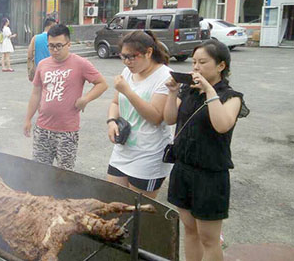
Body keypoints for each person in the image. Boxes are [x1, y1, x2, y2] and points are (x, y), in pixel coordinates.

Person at [163, 39, 248, 261]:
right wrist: (172, 93)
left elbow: (222, 125)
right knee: (190, 231)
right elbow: (170, 118)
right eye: (194, 62)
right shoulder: (188, 90)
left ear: (221, 66)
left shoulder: (231, 97)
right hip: (183, 169)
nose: (196, 67)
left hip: (210, 175)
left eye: (203, 62)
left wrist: (209, 90)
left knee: (209, 239)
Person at [23, 24, 108, 170]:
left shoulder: (80, 63)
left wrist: (85, 99)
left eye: (59, 46)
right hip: (43, 129)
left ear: (68, 44)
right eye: (51, 46)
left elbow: (102, 84)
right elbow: (36, 93)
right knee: (39, 172)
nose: (54, 50)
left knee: (65, 173)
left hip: (67, 132)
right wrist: (28, 119)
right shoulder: (43, 65)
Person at [106, 31, 173, 199]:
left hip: (149, 154)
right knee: (113, 201)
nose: (127, 62)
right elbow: (115, 103)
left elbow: (156, 117)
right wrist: (112, 121)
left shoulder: (164, 76)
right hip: (123, 149)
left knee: (138, 212)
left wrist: (128, 92)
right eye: (123, 56)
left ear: (148, 52)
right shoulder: (128, 71)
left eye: (132, 57)